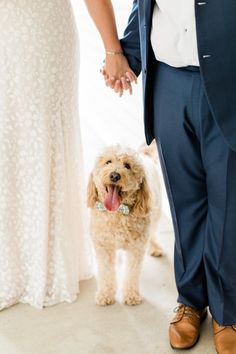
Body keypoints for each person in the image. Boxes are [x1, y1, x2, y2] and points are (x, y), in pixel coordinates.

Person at [86, 0, 236, 352]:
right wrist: (125, 54)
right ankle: (190, 301)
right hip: (167, 81)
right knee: (184, 203)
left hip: (229, 80)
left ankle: (228, 310)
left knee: (227, 204)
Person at [0, 0, 93, 311]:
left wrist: (114, 50)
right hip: (6, 30)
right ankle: (10, 264)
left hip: (47, 34)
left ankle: (48, 261)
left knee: (44, 132)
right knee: (8, 137)